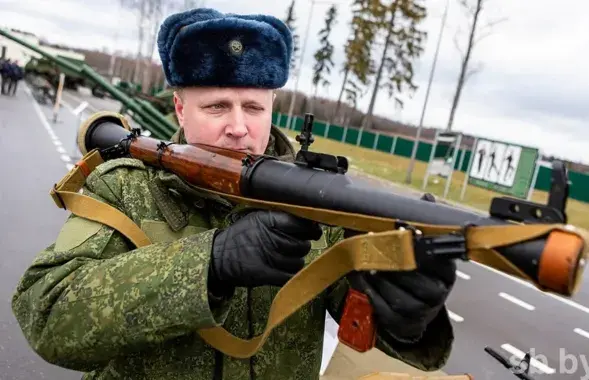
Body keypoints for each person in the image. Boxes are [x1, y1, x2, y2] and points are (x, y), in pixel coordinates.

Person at [11, 7, 457, 380]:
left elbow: (367, 328)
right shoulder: (128, 186)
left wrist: (409, 316)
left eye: (254, 107)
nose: (239, 127)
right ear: (180, 108)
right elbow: (47, 313)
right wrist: (210, 264)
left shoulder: (318, 205)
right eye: (217, 106)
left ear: (273, 109)